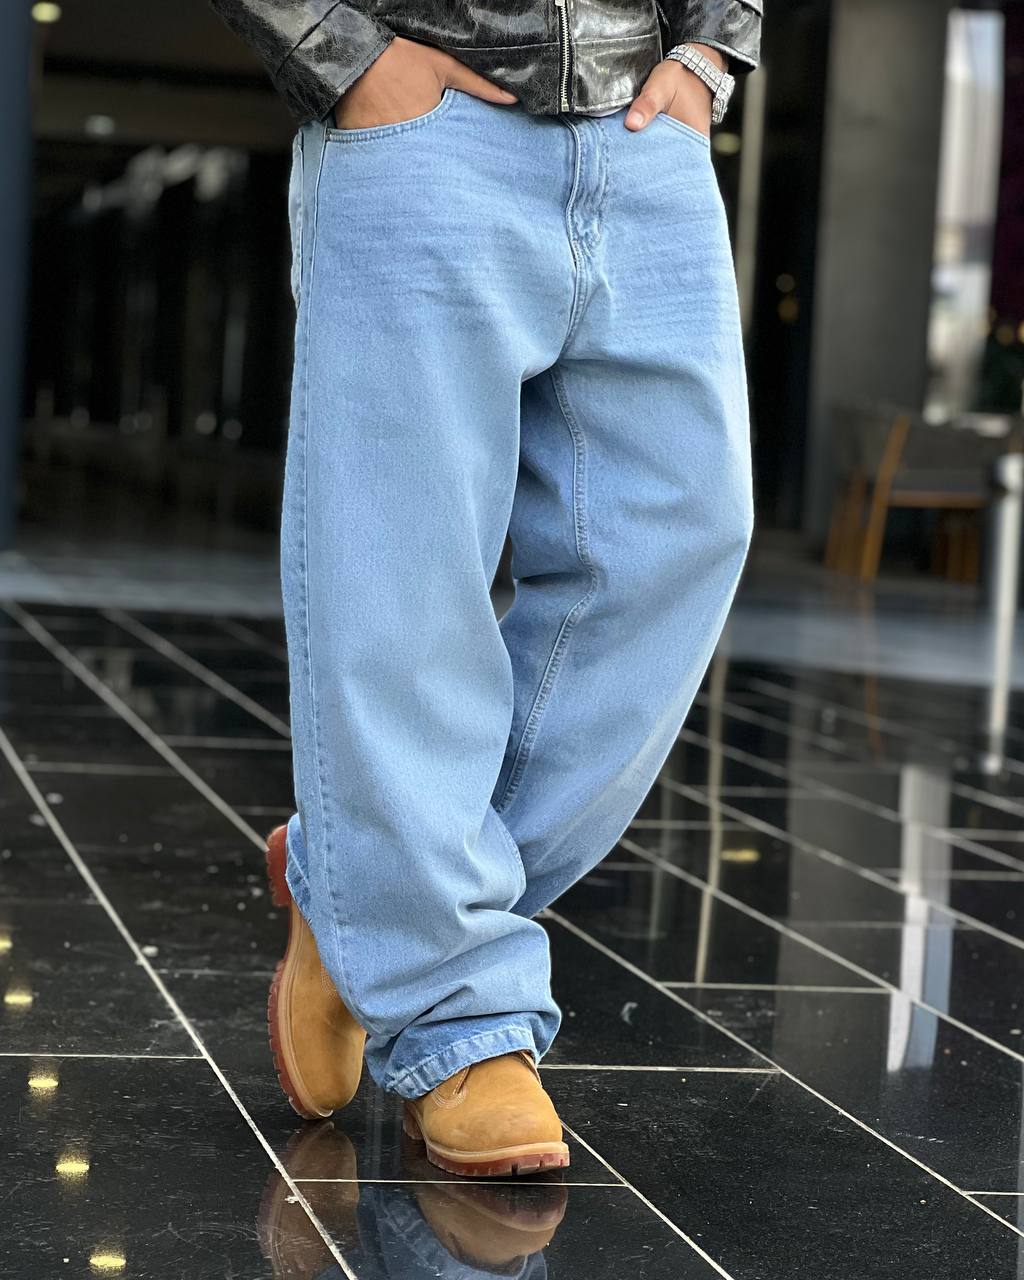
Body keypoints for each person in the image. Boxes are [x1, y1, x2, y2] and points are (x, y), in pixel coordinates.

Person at [211, 0, 761, 1178]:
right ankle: (458, 1016)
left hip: (645, 123)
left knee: (679, 537)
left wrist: (712, 47)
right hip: (422, 118)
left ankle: (352, 880)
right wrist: (337, 50)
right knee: (402, 581)